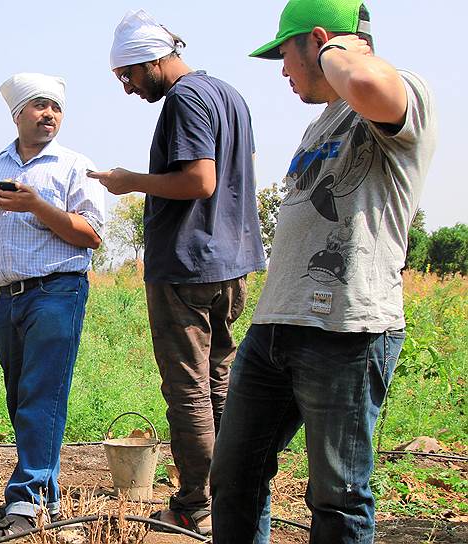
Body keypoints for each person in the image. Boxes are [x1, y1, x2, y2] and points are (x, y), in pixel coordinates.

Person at [209, 1, 437, 542]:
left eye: (284, 54)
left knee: (338, 496)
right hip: (275, 327)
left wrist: (336, 48)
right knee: (234, 477)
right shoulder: (322, 123)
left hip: (346, 330)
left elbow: (365, 80)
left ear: (318, 41)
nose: (283, 70)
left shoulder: (404, 91)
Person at [87, 9, 265, 535]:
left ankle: (195, 505)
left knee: (189, 390)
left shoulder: (185, 99)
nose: (127, 87)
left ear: (152, 61)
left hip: (188, 266)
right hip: (232, 262)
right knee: (220, 383)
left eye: (128, 75)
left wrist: (130, 181)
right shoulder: (229, 95)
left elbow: (200, 181)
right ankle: (233, 495)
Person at [0, 72, 105, 539]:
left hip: (58, 291)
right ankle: (44, 500)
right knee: (21, 398)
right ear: (17, 114)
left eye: (56, 107)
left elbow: (92, 234)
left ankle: (27, 499)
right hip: (10, 297)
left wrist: (37, 205)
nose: (49, 115)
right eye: (40, 106)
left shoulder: (74, 165)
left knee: (41, 395)